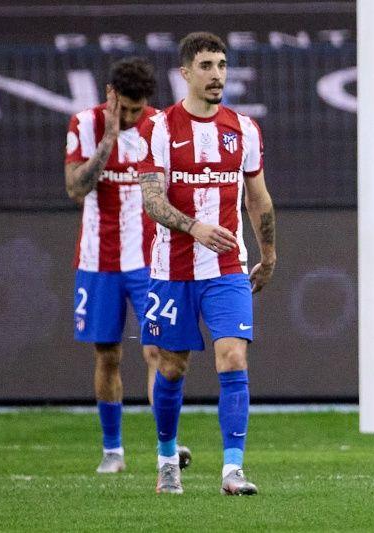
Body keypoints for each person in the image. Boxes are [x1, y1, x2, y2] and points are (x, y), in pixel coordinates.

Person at [136, 32, 276, 495]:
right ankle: (166, 459)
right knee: (172, 366)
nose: (217, 75)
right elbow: (152, 201)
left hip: (227, 269)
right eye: (206, 66)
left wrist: (269, 254)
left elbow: (258, 198)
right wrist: (194, 227)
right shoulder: (159, 128)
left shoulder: (244, 129)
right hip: (172, 270)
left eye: (222, 65)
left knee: (233, 355)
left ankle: (232, 471)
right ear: (185, 73)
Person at [65, 57, 191, 474]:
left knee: (157, 350)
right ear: (110, 94)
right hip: (98, 260)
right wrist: (109, 139)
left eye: (139, 110)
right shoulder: (85, 124)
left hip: (149, 261)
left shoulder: (160, 127)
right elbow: (75, 188)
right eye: (126, 109)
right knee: (108, 355)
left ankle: (166, 445)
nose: (133, 118)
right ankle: (113, 450)